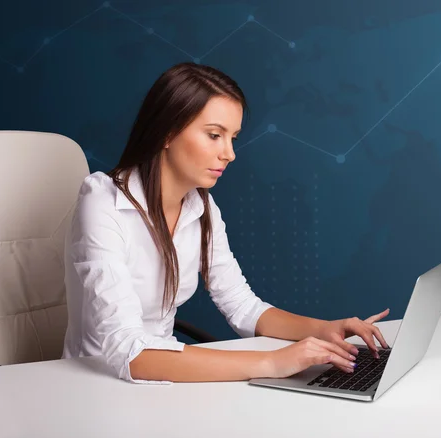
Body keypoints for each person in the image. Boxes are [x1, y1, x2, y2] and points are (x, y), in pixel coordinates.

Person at [62, 62, 390, 384]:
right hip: (96, 384)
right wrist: (273, 362)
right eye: (215, 135)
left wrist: (325, 330)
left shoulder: (201, 206)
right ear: (167, 132)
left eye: (233, 137)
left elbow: (241, 305)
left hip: (167, 380)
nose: (229, 153)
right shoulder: (103, 200)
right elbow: (129, 351)